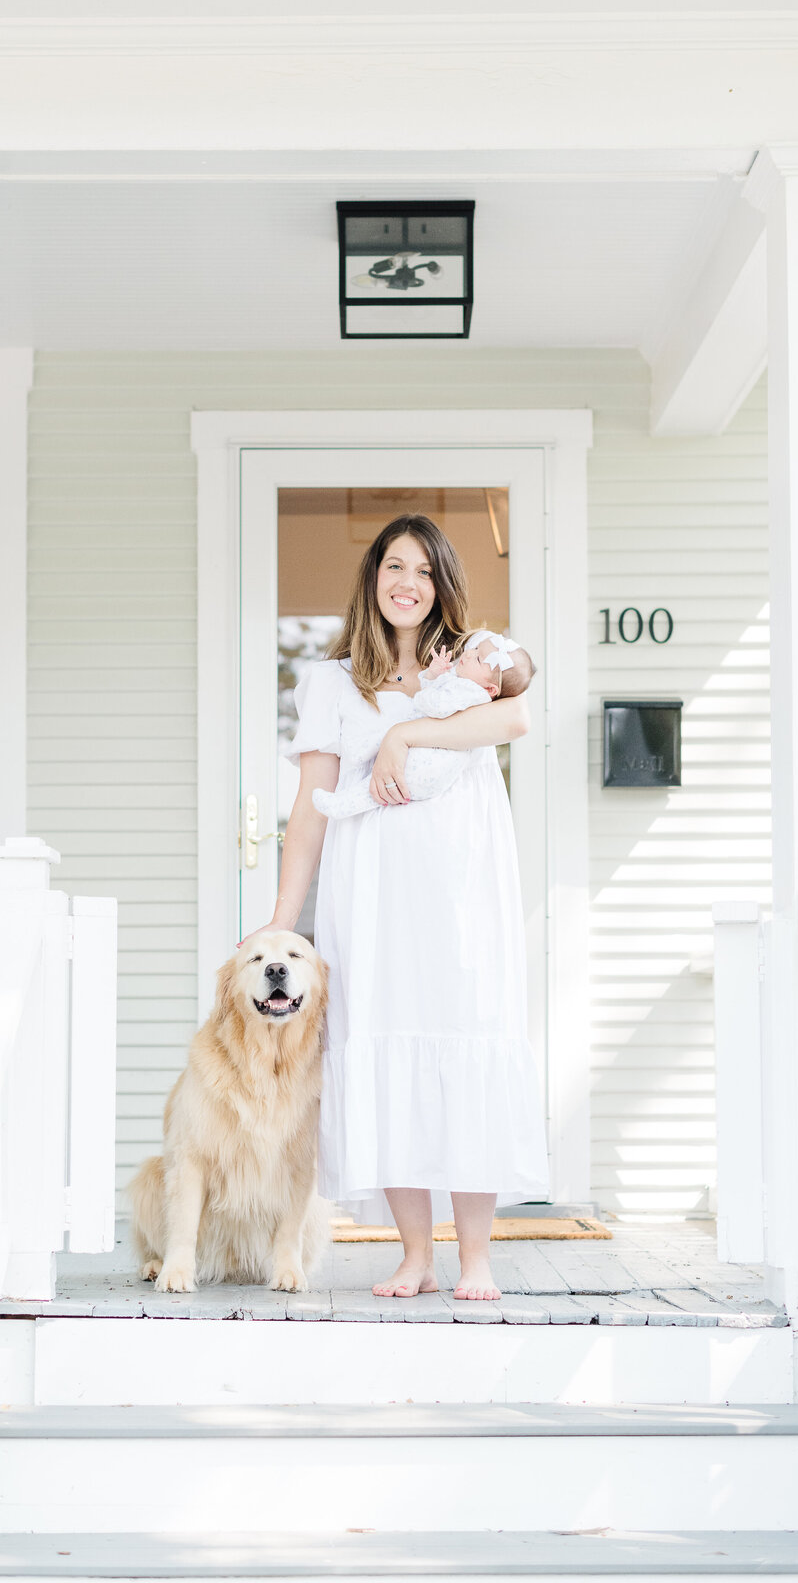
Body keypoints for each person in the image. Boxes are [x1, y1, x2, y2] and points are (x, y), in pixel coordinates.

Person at [241, 513, 550, 1303]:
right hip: (374, 892)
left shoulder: (474, 665)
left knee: (465, 1040)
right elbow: (311, 808)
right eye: (392, 568)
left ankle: (475, 1258)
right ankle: (415, 1254)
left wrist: (403, 736)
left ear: (442, 584)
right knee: (387, 1047)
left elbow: (514, 718)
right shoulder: (332, 681)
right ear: (372, 581)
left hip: (462, 889)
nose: (406, 583)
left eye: (422, 570)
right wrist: (283, 915)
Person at [312, 634, 532, 821]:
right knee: (379, 781)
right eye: (474, 649)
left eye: (478, 659)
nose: (468, 654)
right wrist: (434, 676)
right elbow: (436, 698)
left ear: (491, 689)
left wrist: (427, 692)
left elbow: (434, 706)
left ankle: (340, 805)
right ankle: (345, 795)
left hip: (428, 765)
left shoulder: (472, 692)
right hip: (428, 763)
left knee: (377, 786)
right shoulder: (464, 684)